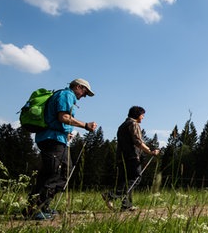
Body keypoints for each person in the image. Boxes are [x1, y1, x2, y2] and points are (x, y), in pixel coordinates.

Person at [24, 78, 98, 220]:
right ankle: (34, 209)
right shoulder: (67, 95)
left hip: (55, 138)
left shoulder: (63, 95)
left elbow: (59, 119)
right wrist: (86, 125)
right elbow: (63, 117)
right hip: (53, 139)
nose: (84, 96)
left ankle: (42, 206)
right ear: (78, 87)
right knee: (54, 173)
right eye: (84, 92)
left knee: (58, 172)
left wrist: (67, 133)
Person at [102, 106, 160, 212]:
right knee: (136, 178)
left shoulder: (122, 126)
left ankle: (126, 205)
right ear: (137, 115)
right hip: (131, 156)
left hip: (121, 157)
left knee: (125, 180)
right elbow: (137, 141)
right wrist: (150, 151)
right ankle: (111, 195)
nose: (143, 117)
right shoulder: (133, 124)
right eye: (142, 115)